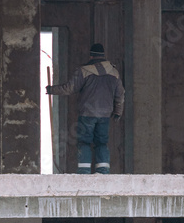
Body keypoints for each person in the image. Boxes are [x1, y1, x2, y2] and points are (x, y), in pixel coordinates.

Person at [47, 43, 125, 174]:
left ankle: (84, 171)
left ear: (91, 55)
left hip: (87, 113)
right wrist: (118, 111)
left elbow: (69, 88)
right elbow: (120, 94)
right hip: (105, 114)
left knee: (84, 142)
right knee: (102, 142)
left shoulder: (84, 71)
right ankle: (103, 171)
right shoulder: (114, 73)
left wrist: (51, 90)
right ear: (104, 55)